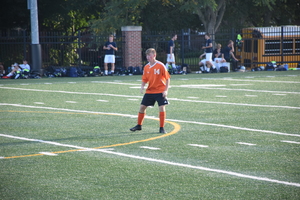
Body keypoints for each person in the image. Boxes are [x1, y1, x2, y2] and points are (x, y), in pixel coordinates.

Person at [130, 48, 170, 134]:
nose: (148, 57)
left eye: (150, 55)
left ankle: (162, 128)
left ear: (154, 55)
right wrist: (142, 86)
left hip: (160, 90)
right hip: (150, 91)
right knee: (142, 107)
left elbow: (167, 78)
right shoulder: (146, 67)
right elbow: (145, 79)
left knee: (161, 107)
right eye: (147, 55)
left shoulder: (160, 65)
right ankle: (139, 125)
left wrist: (165, 90)